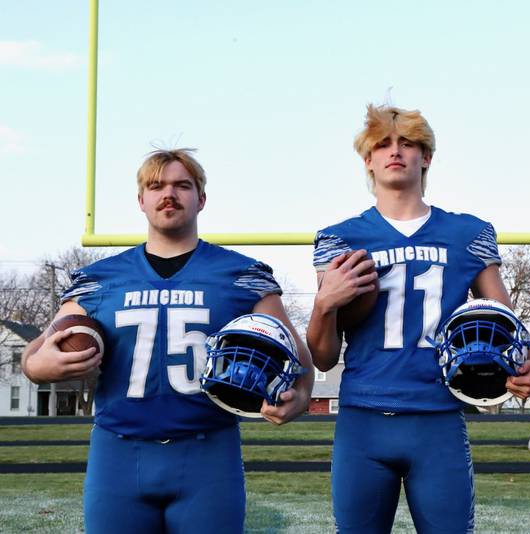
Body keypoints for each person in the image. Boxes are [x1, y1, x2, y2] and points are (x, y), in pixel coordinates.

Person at [22, 148, 313, 534]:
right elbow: (32, 355)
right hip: (118, 453)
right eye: (156, 186)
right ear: (141, 200)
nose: (168, 194)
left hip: (208, 454)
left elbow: (299, 357)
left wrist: (302, 396)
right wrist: (42, 367)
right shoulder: (100, 279)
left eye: (182, 185)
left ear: (201, 198)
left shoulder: (240, 275)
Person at [306, 104, 530, 533]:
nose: (395, 151)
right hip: (364, 415)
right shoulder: (340, 236)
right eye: (383, 144)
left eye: (407, 143)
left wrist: (527, 364)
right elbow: (322, 358)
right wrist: (324, 305)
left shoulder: (468, 232)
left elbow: (507, 322)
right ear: (368, 161)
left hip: (438, 415)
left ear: (426, 156)